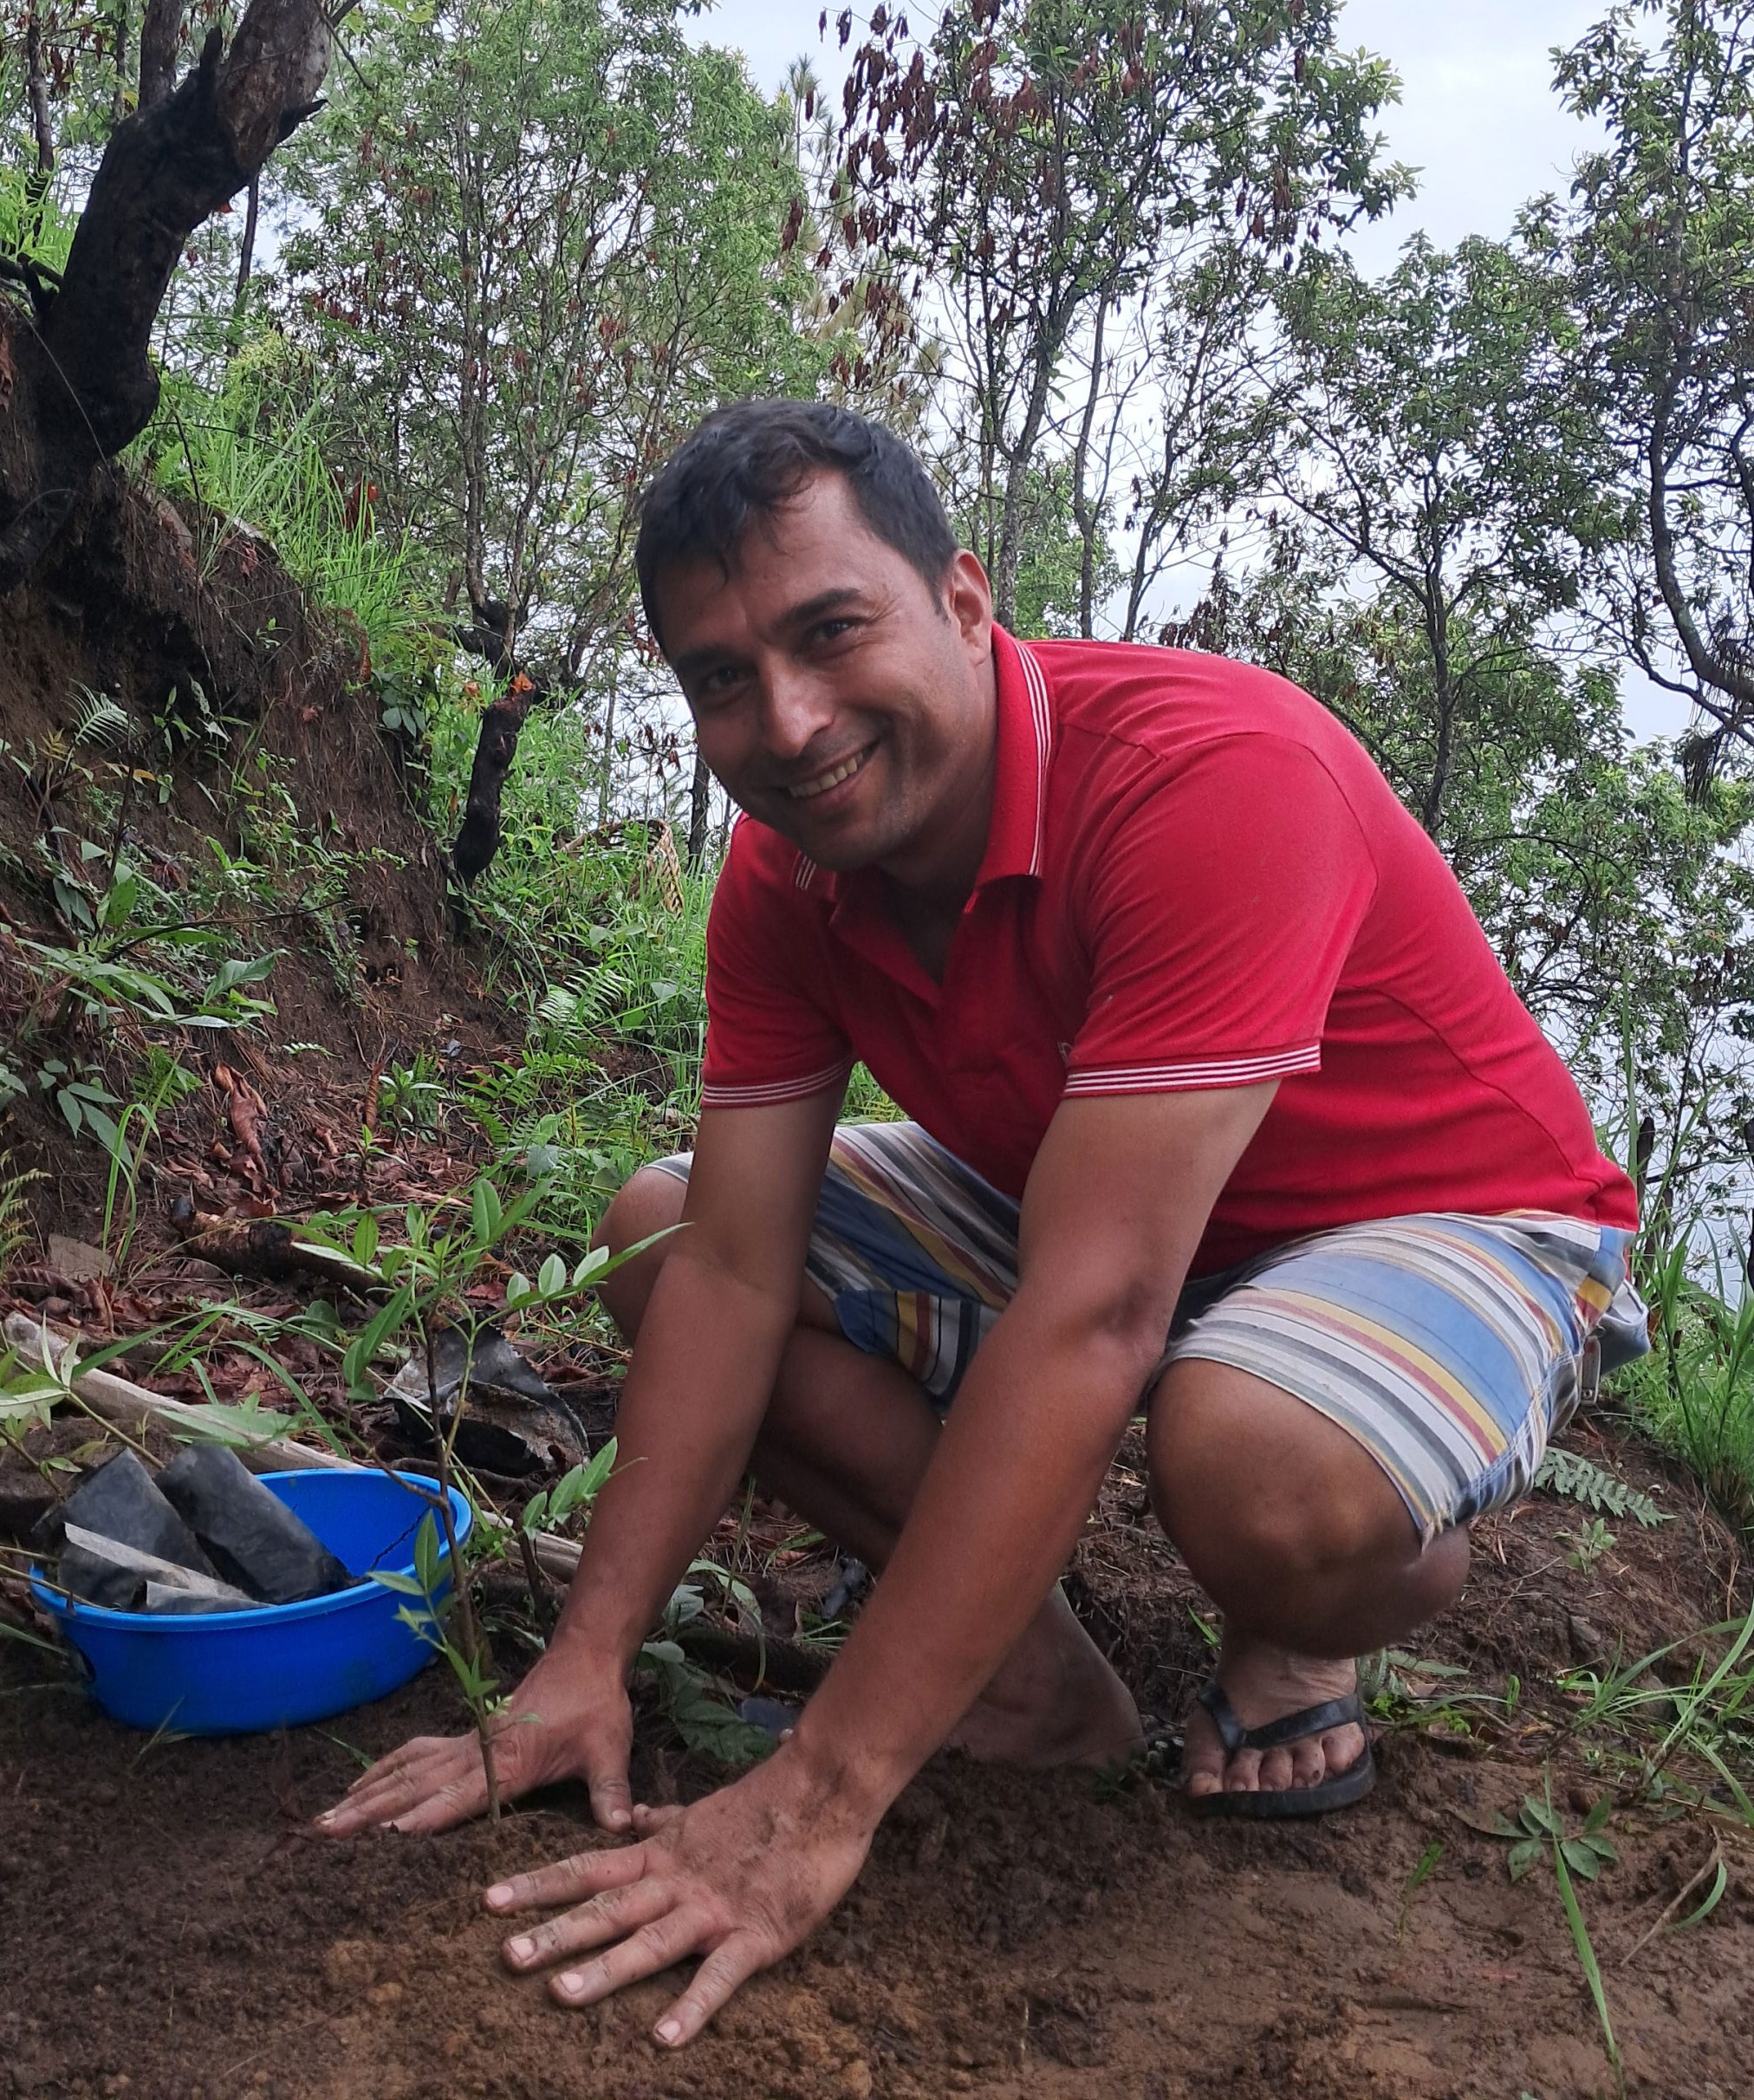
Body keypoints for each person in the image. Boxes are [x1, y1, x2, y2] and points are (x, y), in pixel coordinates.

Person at [319, 400, 1643, 2047]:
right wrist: (584, 1658)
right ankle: (1027, 1675)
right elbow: (736, 1265)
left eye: (829, 632)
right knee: (664, 1236)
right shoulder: (784, 877)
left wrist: (818, 1801)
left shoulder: (1206, 778)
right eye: (723, 677)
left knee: (1250, 1458)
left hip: (1447, 1215)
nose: (788, 721)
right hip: (1102, 1186)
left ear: (963, 600)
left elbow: (1093, 1320)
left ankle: (1321, 1621)